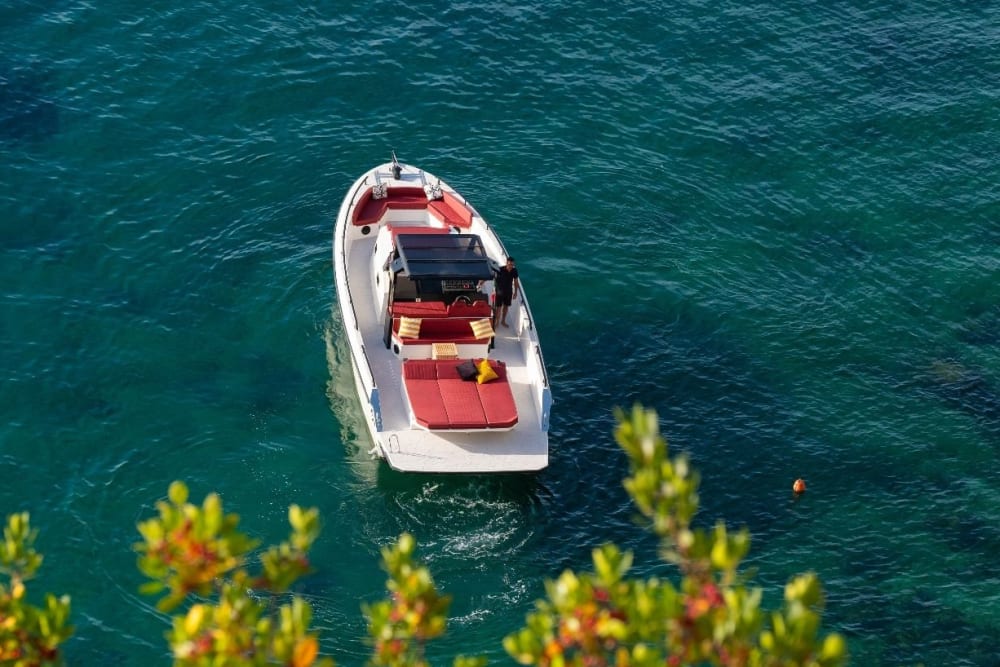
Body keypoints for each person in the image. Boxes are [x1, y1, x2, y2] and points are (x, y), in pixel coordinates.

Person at [492, 257, 519, 328]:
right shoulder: (500, 269)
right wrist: (494, 290)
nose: (511, 266)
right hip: (499, 292)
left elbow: (516, 282)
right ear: (506, 263)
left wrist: (515, 292)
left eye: (512, 265)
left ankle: (503, 321)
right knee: (498, 308)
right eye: (509, 264)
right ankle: (497, 322)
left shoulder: (514, 270)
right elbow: (494, 278)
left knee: (506, 308)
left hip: (508, 292)